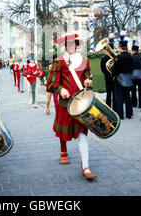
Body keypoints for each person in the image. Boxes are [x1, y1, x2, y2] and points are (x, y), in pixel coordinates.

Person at [47, 33, 96, 180]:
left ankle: (86, 167)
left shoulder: (85, 60)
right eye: (68, 44)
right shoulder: (59, 61)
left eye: (73, 43)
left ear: (76, 44)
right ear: (65, 46)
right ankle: (63, 151)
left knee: (82, 132)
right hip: (65, 102)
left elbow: (88, 78)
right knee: (63, 128)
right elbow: (51, 83)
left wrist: (88, 82)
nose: (71, 46)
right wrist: (60, 89)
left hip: (80, 103)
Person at [112, 34, 134, 120]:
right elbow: (132, 67)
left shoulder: (119, 57)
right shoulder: (130, 56)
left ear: (120, 48)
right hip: (128, 78)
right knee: (128, 96)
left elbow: (115, 69)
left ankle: (120, 115)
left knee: (119, 97)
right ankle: (129, 114)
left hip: (120, 79)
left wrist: (113, 75)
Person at [100, 34, 116, 109]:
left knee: (108, 92)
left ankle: (108, 106)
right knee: (115, 92)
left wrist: (106, 73)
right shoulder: (116, 57)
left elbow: (102, 68)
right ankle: (115, 108)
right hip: (114, 77)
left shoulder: (104, 58)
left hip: (107, 76)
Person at [130, 43, 141, 108]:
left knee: (133, 90)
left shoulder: (131, 57)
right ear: (138, 50)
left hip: (132, 75)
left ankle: (134, 103)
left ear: (133, 50)